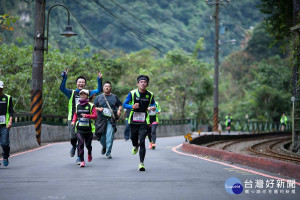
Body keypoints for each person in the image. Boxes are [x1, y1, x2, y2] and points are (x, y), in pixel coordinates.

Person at [60, 68, 102, 164]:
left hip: (85, 120)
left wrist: (99, 80)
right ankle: (73, 146)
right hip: (72, 118)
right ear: (76, 84)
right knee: (73, 137)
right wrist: (64, 77)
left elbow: (99, 90)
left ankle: (79, 157)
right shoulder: (71, 93)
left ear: (85, 84)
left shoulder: (88, 93)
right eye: (79, 82)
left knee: (81, 140)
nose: (81, 84)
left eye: (83, 82)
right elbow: (62, 88)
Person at [123, 75, 156, 171]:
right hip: (133, 120)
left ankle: (141, 163)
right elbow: (125, 104)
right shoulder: (132, 93)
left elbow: (153, 103)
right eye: (141, 82)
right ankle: (135, 145)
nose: (143, 83)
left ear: (147, 84)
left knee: (142, 141)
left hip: (144, 121)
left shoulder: (150, 94)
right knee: (133, 139)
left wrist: (153, 107)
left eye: (144, 82)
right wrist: (132, 106)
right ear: (138, 84)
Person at [94, 81, 122, 159]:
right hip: (101, 120)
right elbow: (93, 107)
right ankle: (104, 147)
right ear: (103, 88)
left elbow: (120, 104)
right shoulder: (98, 97)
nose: (107, 87)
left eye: (108, 86)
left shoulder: (114, 97)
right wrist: (99, 108)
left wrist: (119, 110)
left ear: (111, 88)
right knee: (101, 137)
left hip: (111, 120)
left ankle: (108, 153)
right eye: (105, 86)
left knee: (109, 136)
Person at [71, 89, 97, 167]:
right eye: (81, 94)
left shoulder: (91, 105)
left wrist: (87, 116)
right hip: (80, 128)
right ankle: (82, 161)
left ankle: (89, 152)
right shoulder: (77, 105)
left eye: (84, 94)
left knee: (88, 145)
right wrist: (73, 121)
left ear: (87, 96)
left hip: (88, 129)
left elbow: (95, 116)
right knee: (80, 144)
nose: (83, 96)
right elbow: (75, 114)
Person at [0, 81, 13, 167]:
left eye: (1, 89)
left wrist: (10, 121)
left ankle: (5, 156)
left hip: (4, 125)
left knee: (4, 143)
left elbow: (11, 111)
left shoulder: (7, 98)